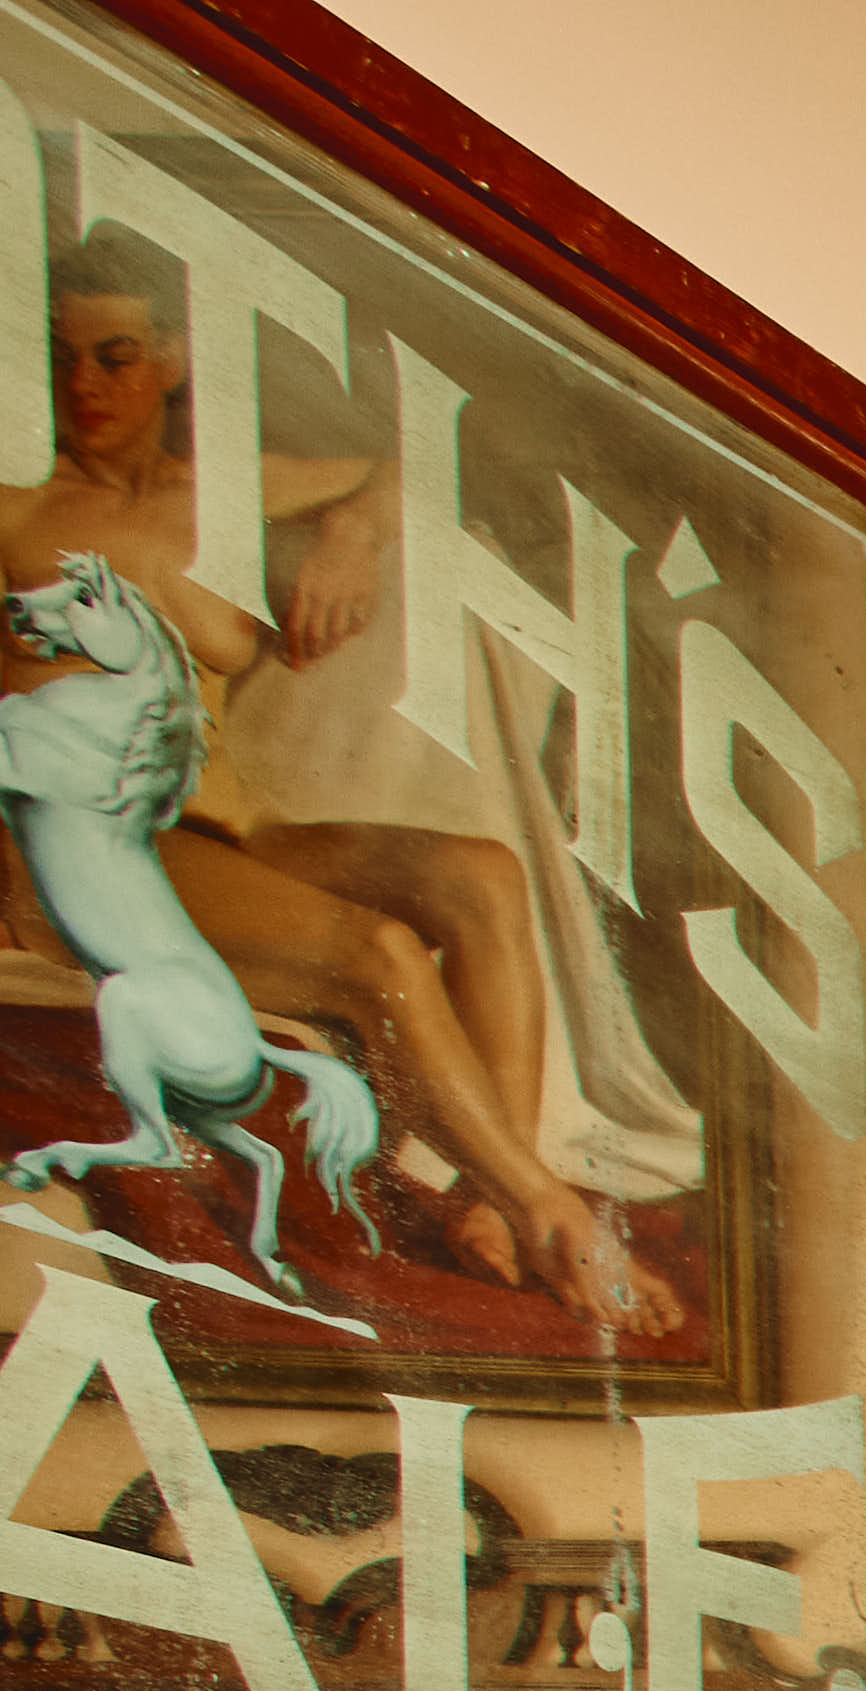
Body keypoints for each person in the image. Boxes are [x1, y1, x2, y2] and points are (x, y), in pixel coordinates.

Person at [0, 244, 664, 1341]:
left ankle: (482, 1194)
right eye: (64, 359)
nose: (86, 387)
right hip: (78, 852)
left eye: (116, 357)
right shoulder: (19, 510)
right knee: (379, 955)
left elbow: (422, 458)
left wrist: (354, 531)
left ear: (171, 357)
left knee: (482, 879)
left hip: (227, 825)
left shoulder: (222, 492)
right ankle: (544, 1212)